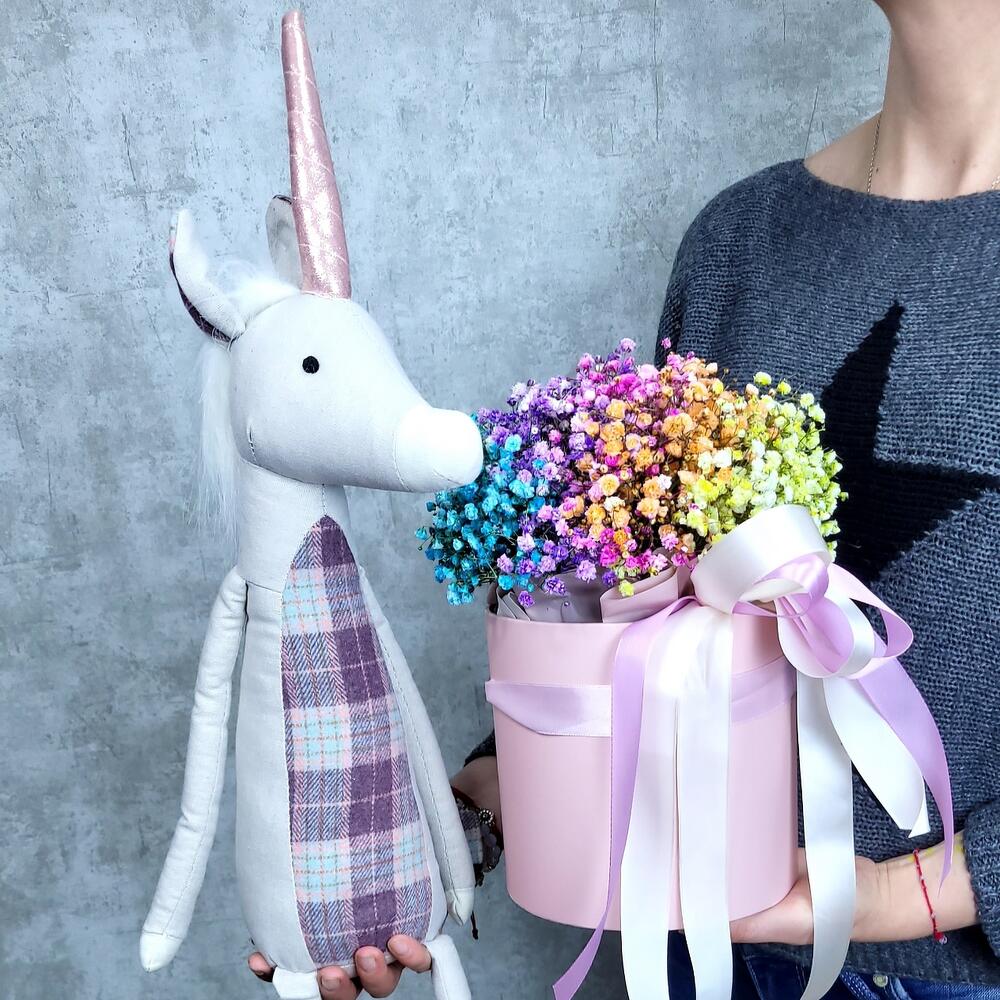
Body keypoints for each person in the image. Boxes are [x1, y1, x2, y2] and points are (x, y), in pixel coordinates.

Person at [251, 0, 1000, 996]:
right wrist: (468, 812)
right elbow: (654, 613)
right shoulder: (743, 240)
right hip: (700, 954)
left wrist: (892, 897)